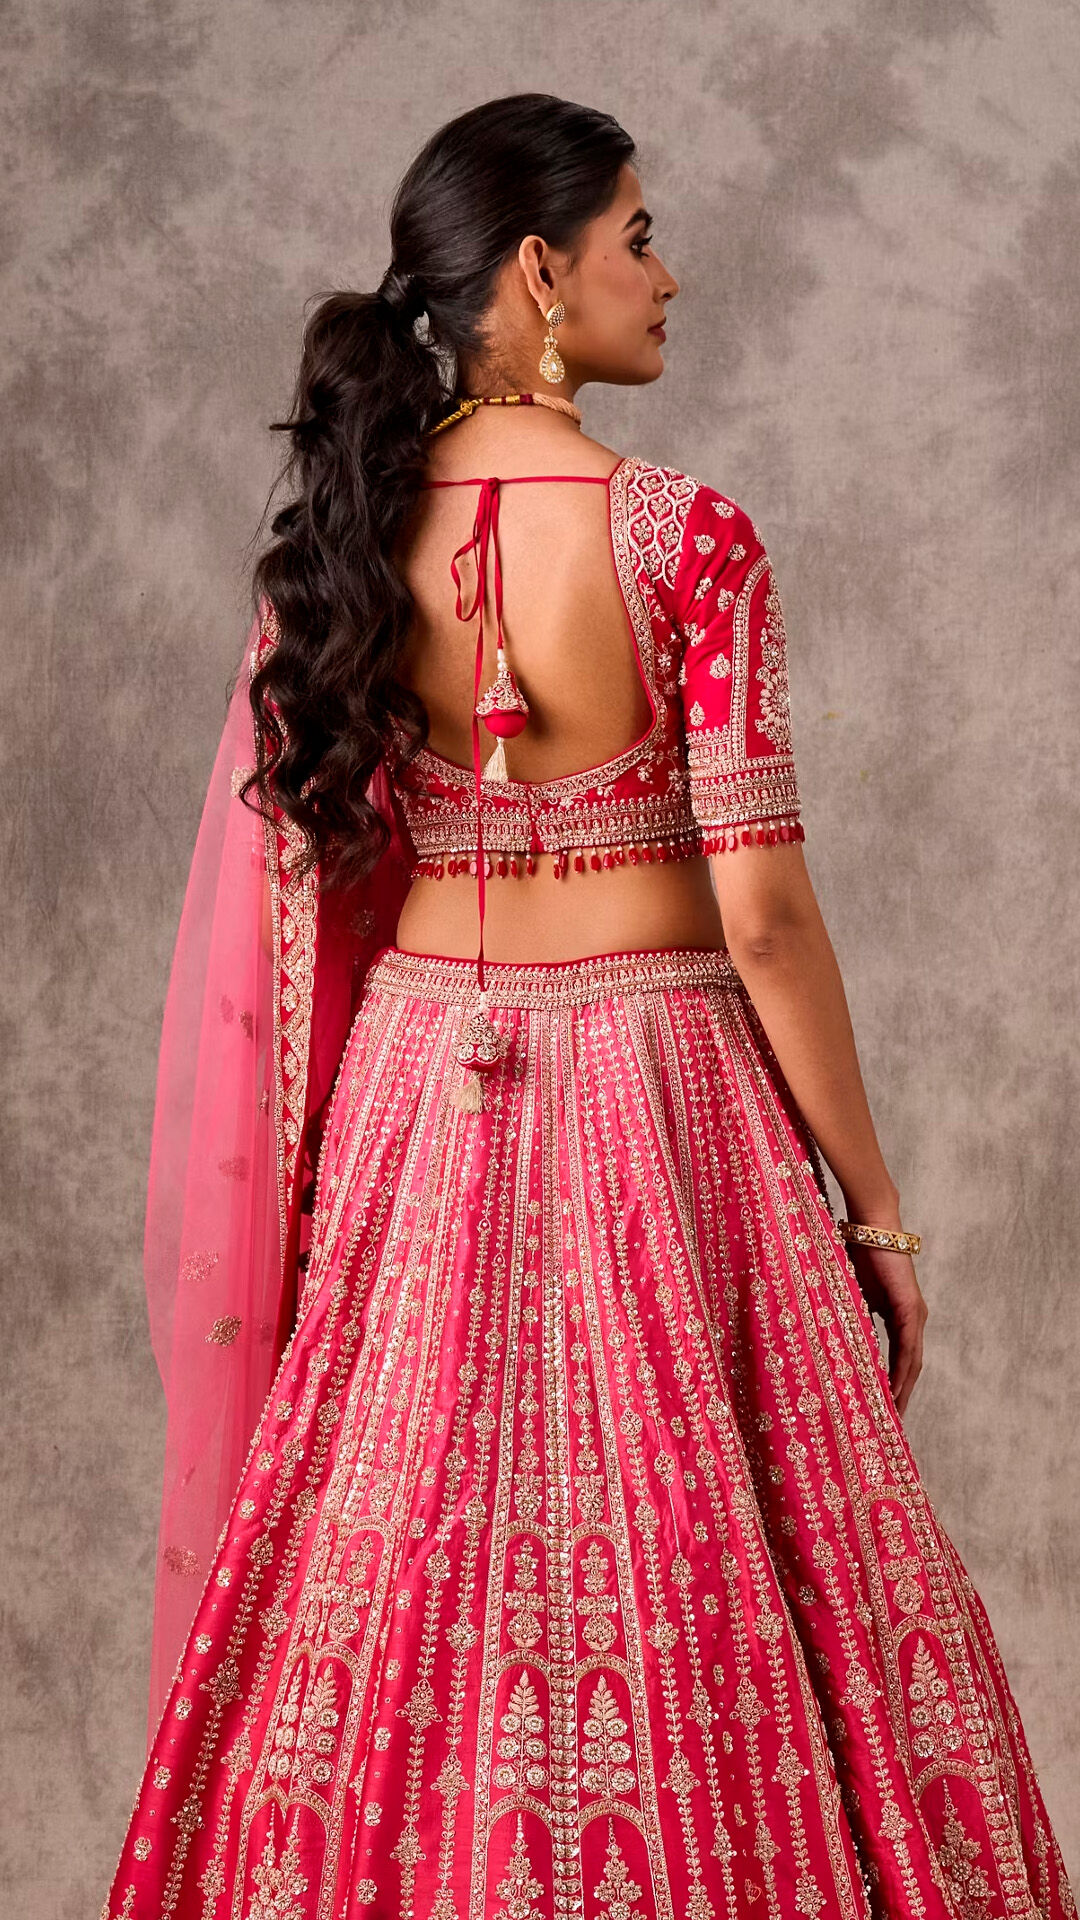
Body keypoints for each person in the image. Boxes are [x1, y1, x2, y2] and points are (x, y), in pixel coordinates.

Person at [102, 92, 1075, 1920]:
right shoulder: (686, 541)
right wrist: (875, 1209)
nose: (669, 273)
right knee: (703, 1579)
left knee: (406, 1575)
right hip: (664, 1086)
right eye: (639, 236)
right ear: (541, 275)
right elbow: (767, 919)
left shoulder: (349, 535)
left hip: (415, 1085)